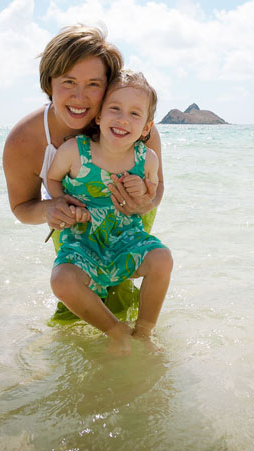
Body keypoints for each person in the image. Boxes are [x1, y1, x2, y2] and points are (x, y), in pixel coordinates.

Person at [2, 25, 165, 332]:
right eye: (68, 82)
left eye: (93, 84)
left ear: (109, 85)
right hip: (74, 225)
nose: (79, 96)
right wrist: (51, 209)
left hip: (128, 220)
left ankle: (137, 353)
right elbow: (22, 207)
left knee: (126, 294)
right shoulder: (25, 140)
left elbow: (158, 188)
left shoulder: (134, 126)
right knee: (76, 312)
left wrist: (145, 202)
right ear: (49, 83)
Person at [46, 70, 172, 354]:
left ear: (145, 128)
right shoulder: (74, 151)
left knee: (162, 259)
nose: (123, 119)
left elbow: (154, 191)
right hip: (82, 242)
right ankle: (116, 331)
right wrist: (62, 202)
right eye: (115, 109)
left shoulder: (146, 158)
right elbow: (52, 179)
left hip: (127, 240)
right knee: (61, 280)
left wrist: (143, 191)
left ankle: (144, 331)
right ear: (99, 116)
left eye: (134, 114)